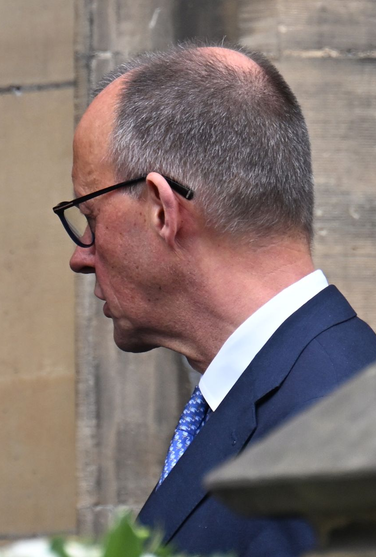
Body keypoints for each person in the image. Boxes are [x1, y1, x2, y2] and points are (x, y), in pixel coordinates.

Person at [53, 44, 376, 556]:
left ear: (162, 210)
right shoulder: (310, 393)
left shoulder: (340, 440)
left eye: (90, 218)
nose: (81, 257)